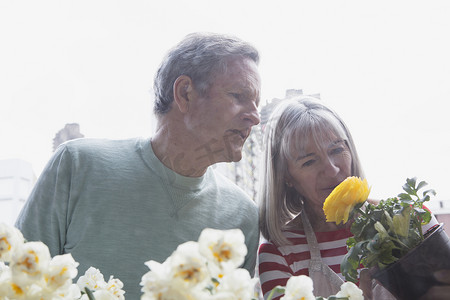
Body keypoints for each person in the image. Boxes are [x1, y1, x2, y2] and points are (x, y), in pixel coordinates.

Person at [15, 32, 261, 299]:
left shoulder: (242, 215)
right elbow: (14, 280)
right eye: (238, 96)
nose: (255, 117)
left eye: (257, 103)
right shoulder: (76, 166)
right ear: (185, 93)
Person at [257, 96, 405, 299]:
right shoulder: (277, 253)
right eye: (309, 162)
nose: (332, 169)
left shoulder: (407, 219)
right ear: (286, 176)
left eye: (336, 150)